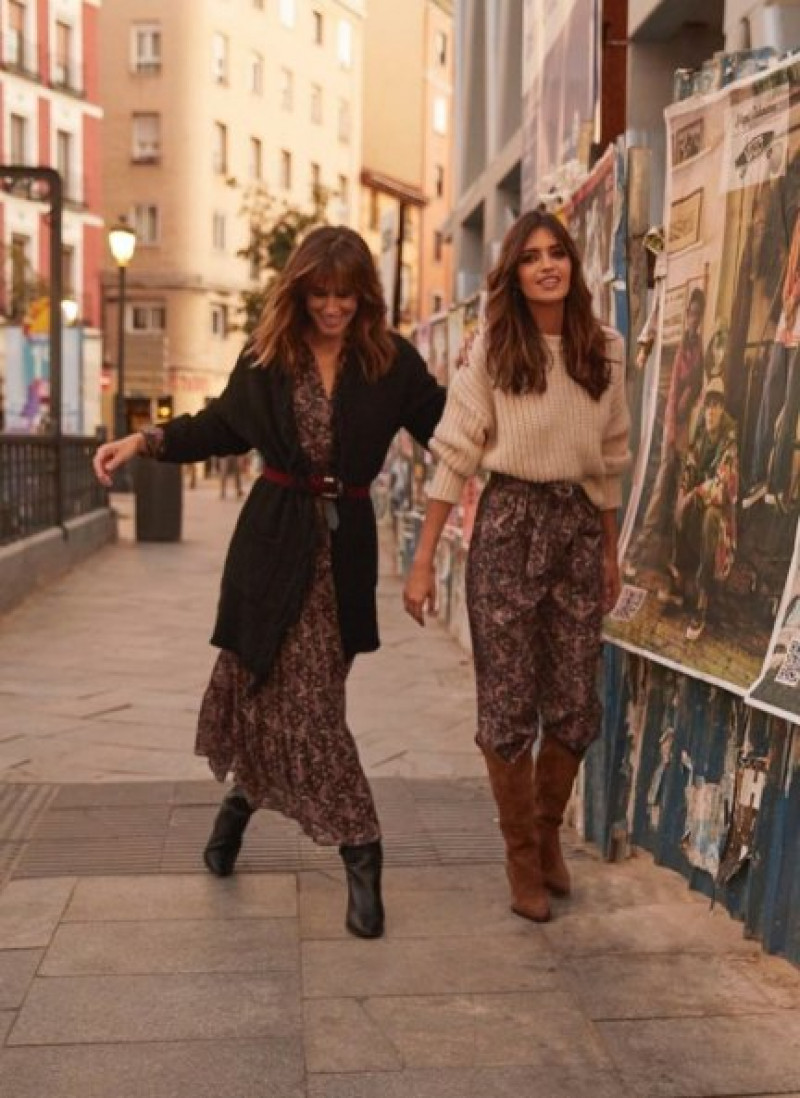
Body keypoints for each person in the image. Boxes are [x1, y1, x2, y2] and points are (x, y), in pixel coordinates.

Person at [93, 226, 445, 940]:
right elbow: (220, 425)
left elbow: (451, 428)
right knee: (266, 696)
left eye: (346, 294)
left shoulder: (390, 362)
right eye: (321, 293)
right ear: (300, 290)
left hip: (339, 553)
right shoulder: (268, 359)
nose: (333, 308)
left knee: (309, 705)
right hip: (270, 546)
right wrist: (146, 440)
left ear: (363, 295)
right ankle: (362, 851)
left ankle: (239, 816)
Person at [403, 210, 630, 923]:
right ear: (515, 272)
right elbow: (455, 452)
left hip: (574, 530)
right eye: (531, 257)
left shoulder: (607, 350)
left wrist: (609, 548)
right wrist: (423, 559)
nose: (546, 266)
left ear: (572, 264)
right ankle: (521, 860)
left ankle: (545, 830)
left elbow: (613, 456)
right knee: (507, 704)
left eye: (556, 253)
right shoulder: (493, 351)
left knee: (574, 702)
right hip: (506, 528)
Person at [628, 287, 706, 570]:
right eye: (692, 313)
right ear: (686, 314)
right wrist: (671, 430)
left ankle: (671, 559)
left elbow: (696, 386)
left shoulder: (698, 346)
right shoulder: (681, 344)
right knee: (660, 488)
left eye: (699, 314)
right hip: (671, 422)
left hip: (686, 426)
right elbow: (673, 391)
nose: (694, 318)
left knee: (679, 494)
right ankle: (637, 553)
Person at [658, 378, 738, 642]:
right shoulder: (701, 436)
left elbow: (723, 488)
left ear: (723, 409)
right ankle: (679, 582)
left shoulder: (729, 443)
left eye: (717, 406)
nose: (711, 411)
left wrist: (693, 494)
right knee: (679, 502)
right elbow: (690, 468)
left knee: (710, 518)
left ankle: (702, 601)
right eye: (708, 405)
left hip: (720, 519)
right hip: (698, 507)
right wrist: (683, 494)